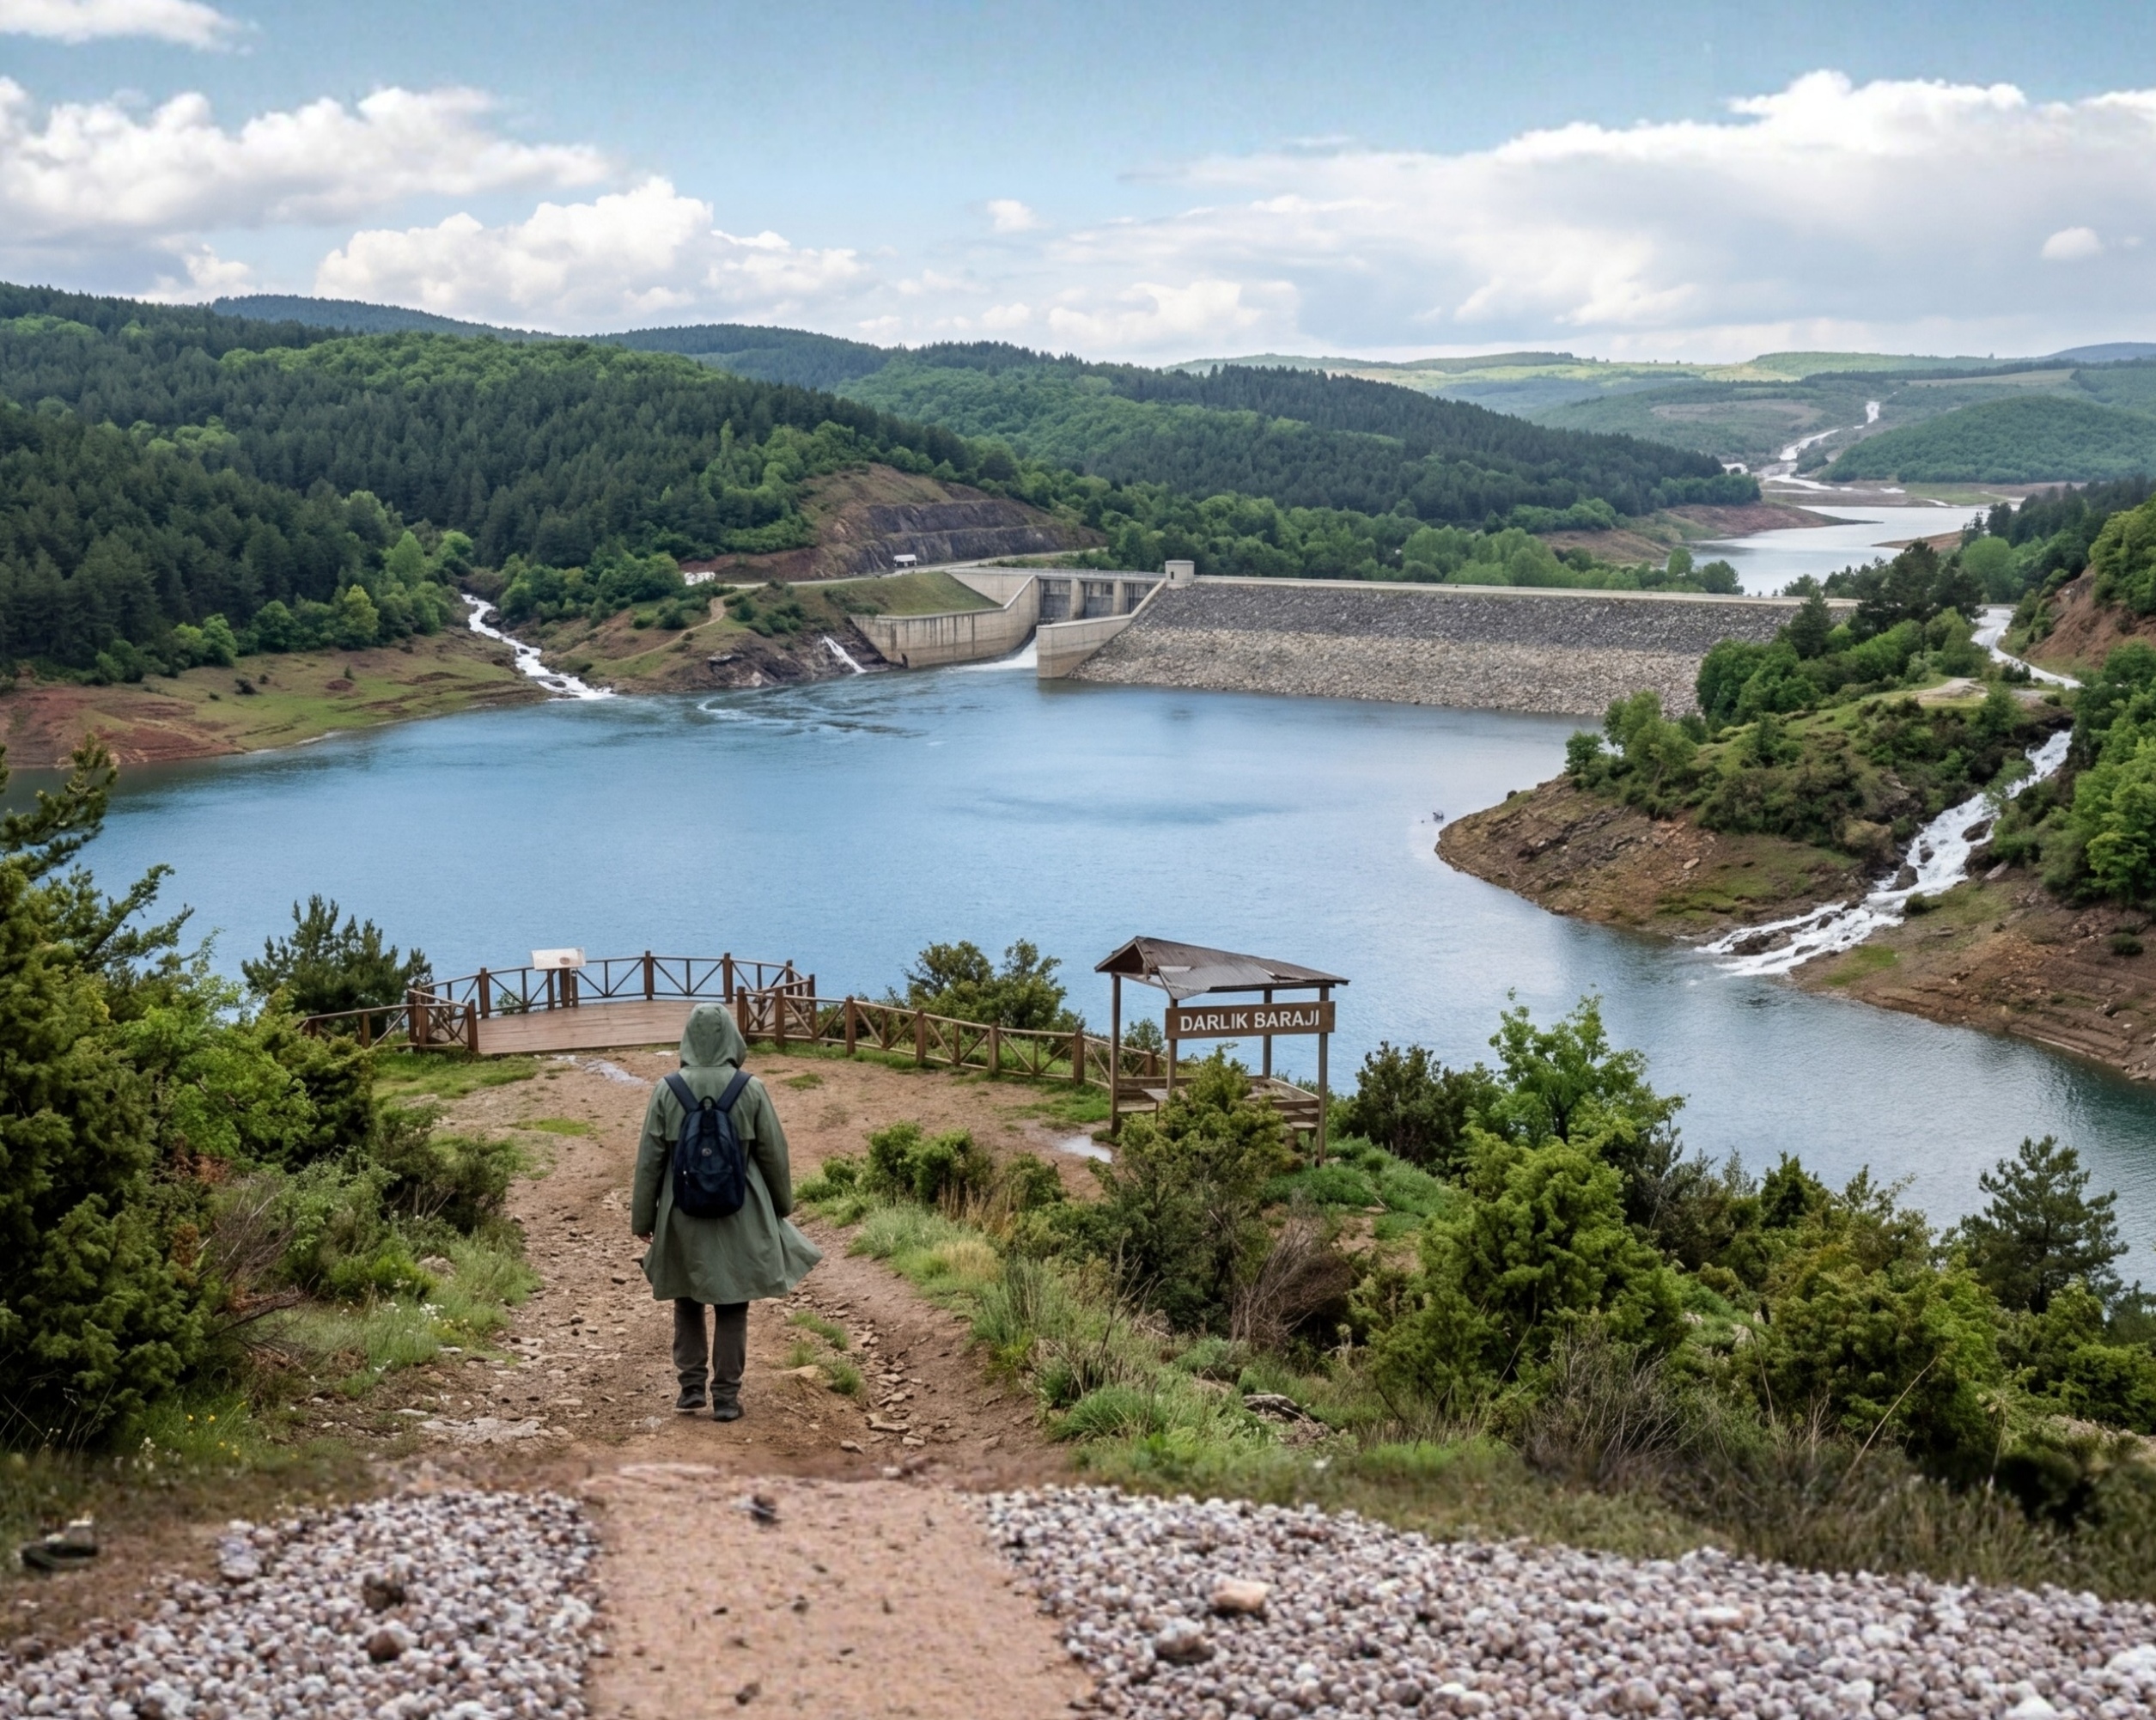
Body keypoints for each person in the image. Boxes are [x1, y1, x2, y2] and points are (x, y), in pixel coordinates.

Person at [631, 1003, 821, 1420]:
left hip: (682, 1214)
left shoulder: (667, 1090)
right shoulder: (749, 1088)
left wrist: (643, 1221)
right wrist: (781, 1206)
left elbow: (649, 1161)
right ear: (731, 1038)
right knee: (733, 1305)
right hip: (741, 1211)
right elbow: (775, 1154)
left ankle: (690, 1389)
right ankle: (728, 1398)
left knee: (686, 1298)